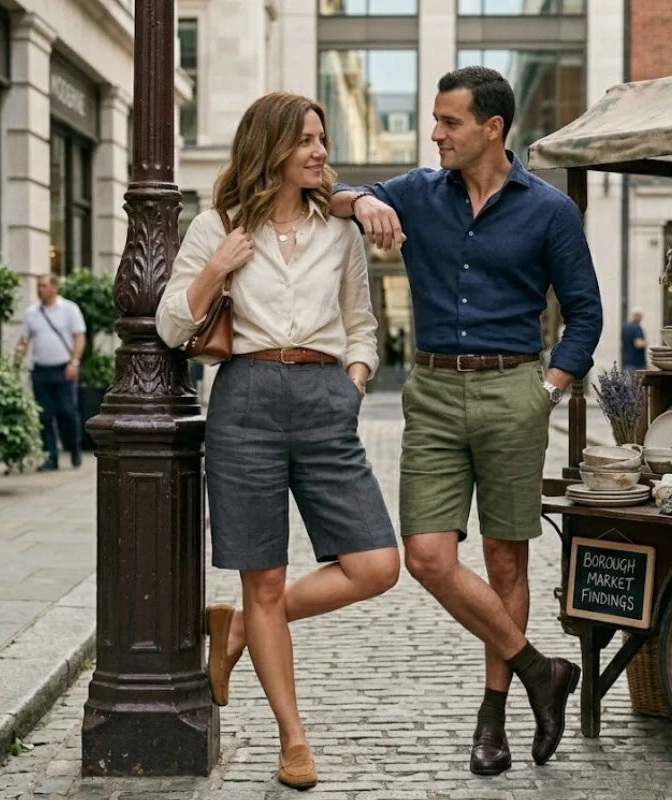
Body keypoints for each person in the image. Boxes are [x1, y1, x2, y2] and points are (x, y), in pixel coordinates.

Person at [331, 66, 603, 775]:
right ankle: (542, 670)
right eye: (435, 120)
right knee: (426, 556)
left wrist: (545, 390)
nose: (435, 134)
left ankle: (494, 718)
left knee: (505, 559)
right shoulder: (419, 193)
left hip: (513, 390)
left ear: (493, 128)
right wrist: (361, 202)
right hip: (431, 392)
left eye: (449, 122)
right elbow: (327, 194)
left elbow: (586, 313)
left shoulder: (550, 211)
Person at [155, 92, 400, 791]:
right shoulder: (217, 226)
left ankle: (235, 632)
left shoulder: (338, 231)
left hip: (324, 397)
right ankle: (293, 740)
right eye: (307, 141)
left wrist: (352, 384)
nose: (321, 152)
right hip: (248, 400)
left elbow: (362, 324)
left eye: (322, 139)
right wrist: (213, 269)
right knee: (261, 577)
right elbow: (172, 327)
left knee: (377, 564)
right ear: (272, 148)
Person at [15, 274, 86, 471]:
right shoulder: (31, 313)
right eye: (38, 286)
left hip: (64, 369)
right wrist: (17, 362)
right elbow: (24, 341)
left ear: (55, 288)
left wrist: (74, 362)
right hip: (40, 370)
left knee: (67, 413)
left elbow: (79, 337)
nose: (40, 290)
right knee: (44, 416)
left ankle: (74, 449)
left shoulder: (69, 309)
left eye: (44, 286)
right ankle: (51, 456)